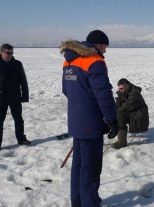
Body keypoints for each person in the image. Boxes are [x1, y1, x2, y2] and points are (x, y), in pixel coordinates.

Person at [60, 30, 118, 207]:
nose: (105, 51)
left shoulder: (69, 61)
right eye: (105, 47)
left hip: (77, 121)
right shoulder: (94, 61)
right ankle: (89, 203)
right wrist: (111, 119)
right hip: (90, 123)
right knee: (90, 167)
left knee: (79, 165)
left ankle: (78, 201)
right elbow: (103, 95)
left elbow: (66, 90)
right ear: (98, 44)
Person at [0, 43, 31, 151]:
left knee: (19, 120)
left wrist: (25, 96)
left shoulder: (17, 64)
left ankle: (21, 139)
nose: (9, 55)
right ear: (1, 52)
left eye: (11, 52)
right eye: (7, 52)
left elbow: (23, 81)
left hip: (15, 97)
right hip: (0, 98)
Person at [112, 78, 149, 149]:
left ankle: (122, 142)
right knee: (117, 114)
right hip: (133, 113)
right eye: (119, 89)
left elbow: (124, 107)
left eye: (121, 88)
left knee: (120, 115)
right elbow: (118, 106)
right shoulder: (123, 92)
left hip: (139, 116)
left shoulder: (134, 94)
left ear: (127, 86)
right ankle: (120, 132)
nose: (120, 90)